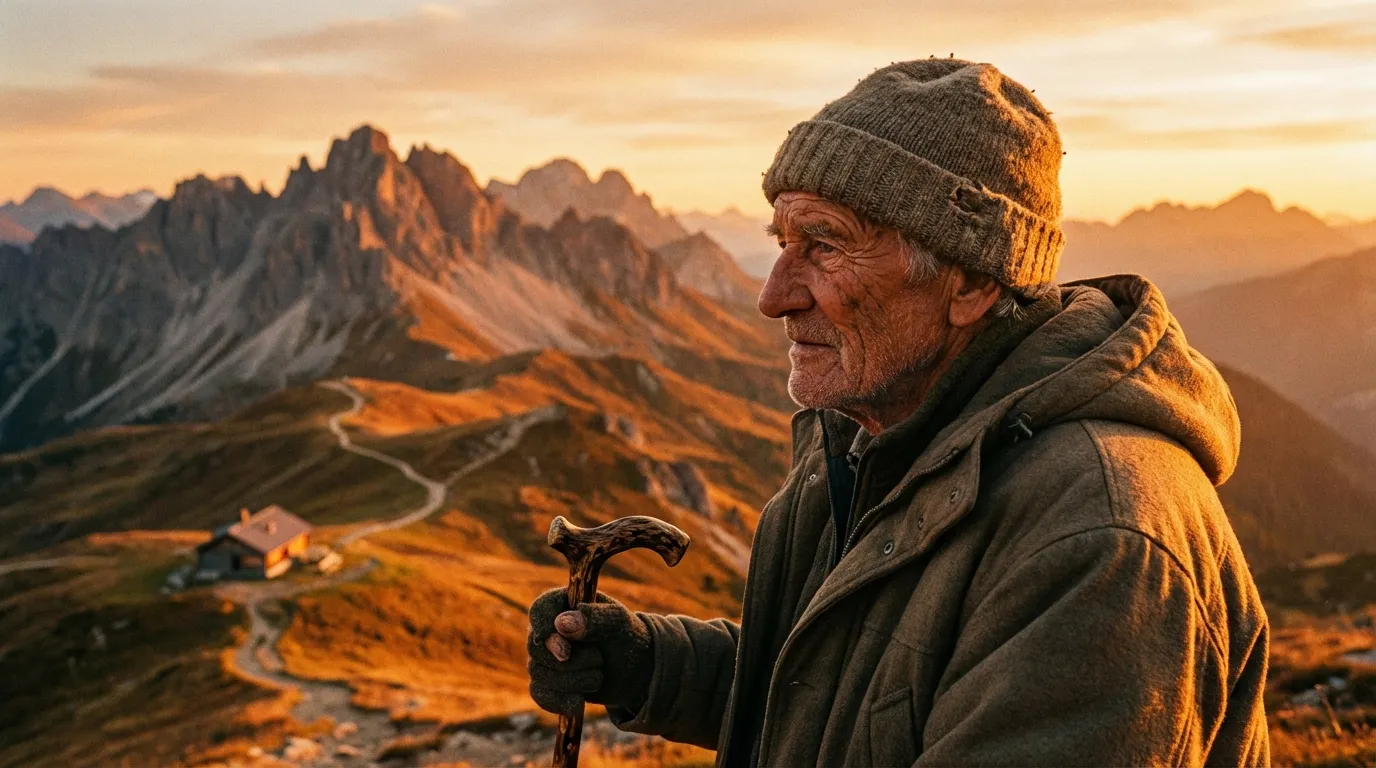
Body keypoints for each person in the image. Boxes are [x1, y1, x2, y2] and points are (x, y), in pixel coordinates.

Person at [526, 58, 1270, 766]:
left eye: (825, 245)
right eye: (782, 242)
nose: (772, 296)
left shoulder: (1099, 542)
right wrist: (652, 666)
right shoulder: (876, 442)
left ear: (971, 281)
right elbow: (844, 700)